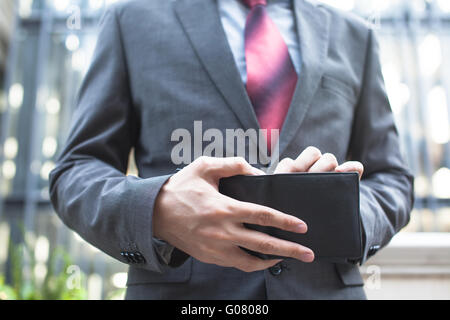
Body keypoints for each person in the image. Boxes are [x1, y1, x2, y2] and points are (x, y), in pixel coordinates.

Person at [49, 0, 414, 299]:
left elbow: (392, 177)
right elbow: (77, 170)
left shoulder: (354, 35)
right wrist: (157, 209)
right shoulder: (131, 21)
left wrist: (344, 216)